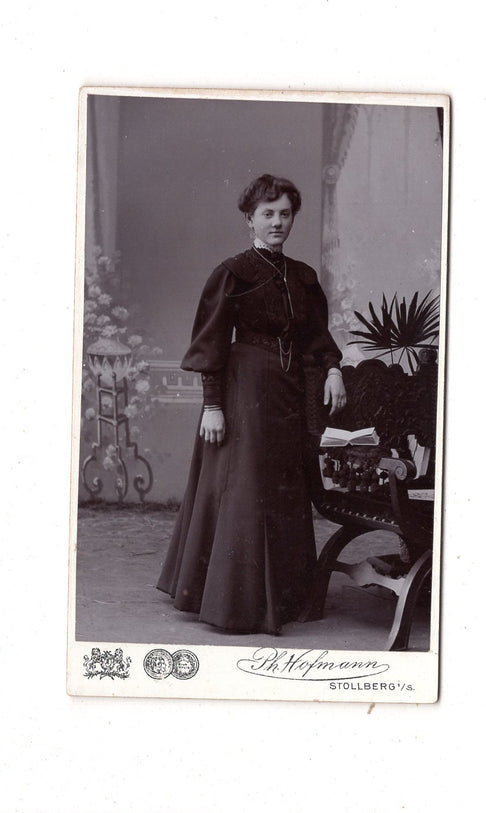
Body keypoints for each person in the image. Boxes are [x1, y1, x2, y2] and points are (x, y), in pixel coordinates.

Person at [157, 174, 346, 634]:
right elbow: (211, 343)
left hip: (289, 394)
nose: (277, 222)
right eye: (268, 214)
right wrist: (213, 406)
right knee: (246, 489)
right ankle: (235, 603)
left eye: (285, 214)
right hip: (244, 393)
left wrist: (334, 370)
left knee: (285, 489)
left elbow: (317, 338)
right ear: (250, 219)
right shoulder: (233, 272)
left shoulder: (302, 277)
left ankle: (284, 597)